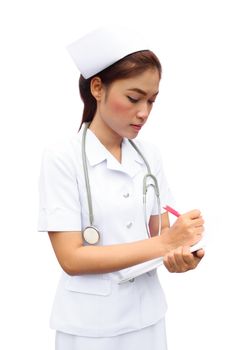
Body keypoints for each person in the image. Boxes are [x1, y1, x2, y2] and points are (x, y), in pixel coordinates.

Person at [38, 26, 205, 350]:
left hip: (147, 318)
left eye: (152, 101)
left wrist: (183, 252)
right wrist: (165, 244)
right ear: (97, 88)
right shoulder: (62, 157)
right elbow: (71, 258)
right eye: (133, 98)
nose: (143, 112)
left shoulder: (149, 155)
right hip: (88, 325)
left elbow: (162, 233)